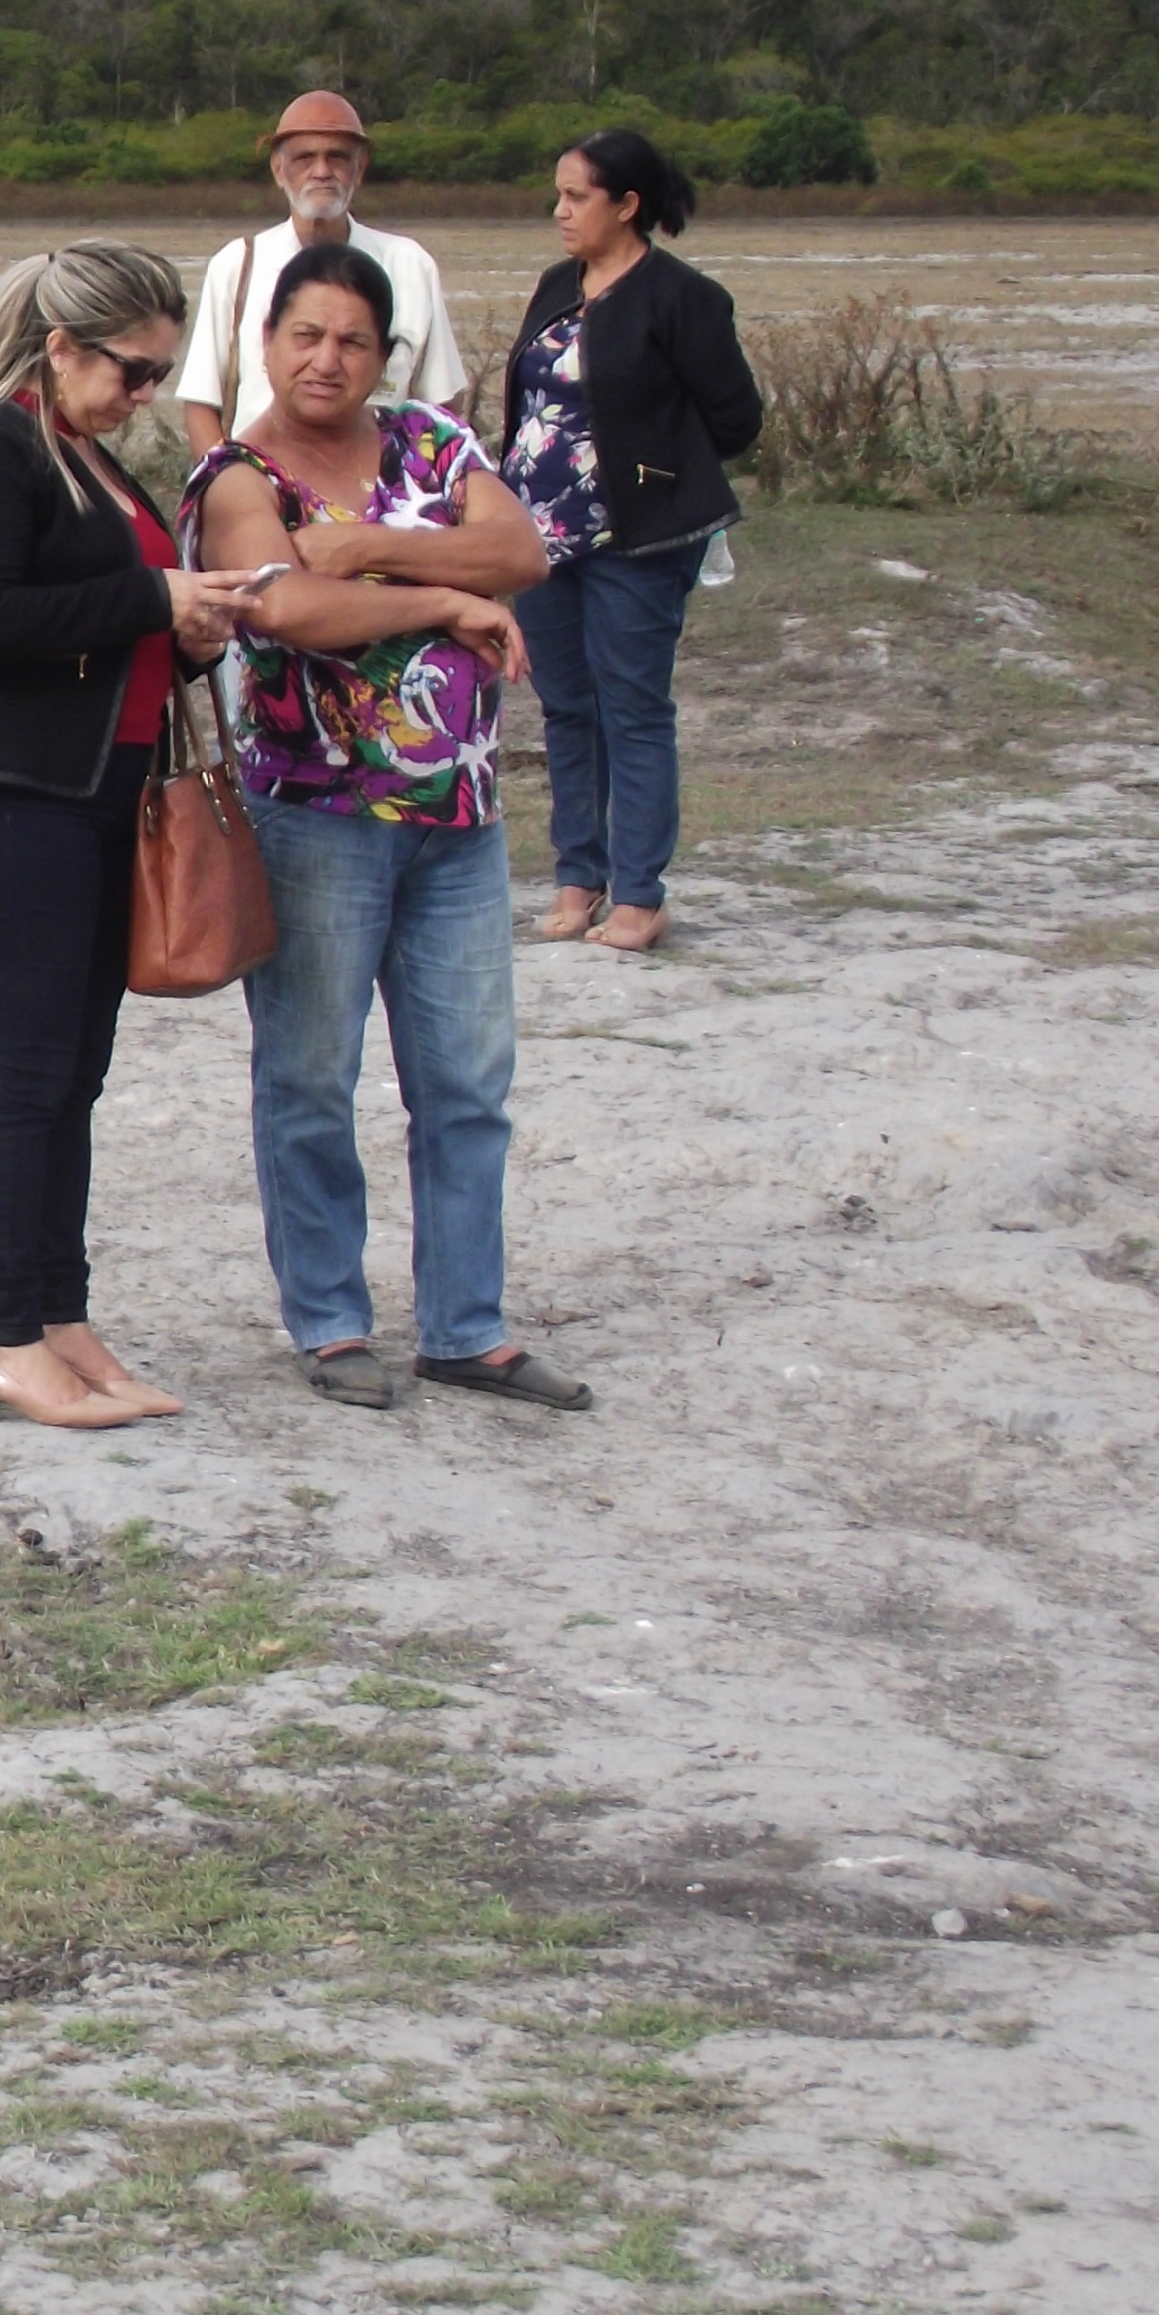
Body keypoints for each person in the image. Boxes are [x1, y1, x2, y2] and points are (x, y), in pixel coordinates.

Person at [185, 244, 591, 1414]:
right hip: (314, 820)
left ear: (385, 354)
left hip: (458, 819)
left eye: (353, 341)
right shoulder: (235, 474)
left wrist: (371, 546)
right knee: (311, 1078)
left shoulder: (428, 442)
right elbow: (288, 604)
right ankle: (327, 1320)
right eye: (305, 335)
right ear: (264, 343)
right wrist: (445, 597)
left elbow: (522, 549)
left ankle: (466, 1326)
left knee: (465, 1081)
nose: (328, 360)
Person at [0, 243, 269, 1428]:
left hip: (104, 794)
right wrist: (149, 602)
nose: (145, 395)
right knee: (27, 1073)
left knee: (75, 1070)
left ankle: (57, 1312)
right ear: (59, 346)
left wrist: (191, 635)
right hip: (13, 798)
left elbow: (110, 625)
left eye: (160, 374)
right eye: (130, 369)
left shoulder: (86, 455)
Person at [498, 128, 763, 954]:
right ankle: (580, 875)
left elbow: (735, 421)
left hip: (636, 541)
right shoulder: (556, 284)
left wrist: (651, 478)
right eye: (558, 194)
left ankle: (641, 894)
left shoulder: (683, 298)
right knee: (567, 709)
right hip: (540, 536)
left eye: (577, 197)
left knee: (633, 710)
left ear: (628, 205)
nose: (560, 211)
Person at [175, 90, 469, 444]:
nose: (321, 171)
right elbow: (201, 403)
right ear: (278, 169)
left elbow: (442, 402)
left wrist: (412, 489)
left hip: (376, 491)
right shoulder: (236, 265)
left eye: (337, 157)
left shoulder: (409, 264)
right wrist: (224, 486)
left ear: (359, 168)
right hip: (257, 484)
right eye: (304, 158)